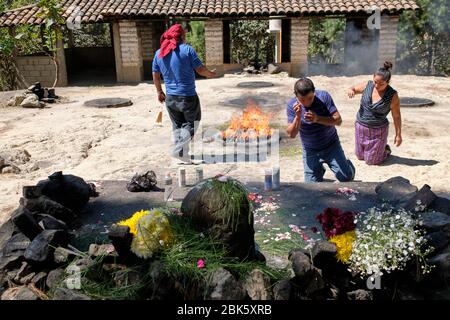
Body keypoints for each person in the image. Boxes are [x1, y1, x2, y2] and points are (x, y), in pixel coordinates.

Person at [152, 24, 216, 164]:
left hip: (170, 98)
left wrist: (159, 92)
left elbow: (155, 75)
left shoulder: (159, 53)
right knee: (192, 124)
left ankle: (182, 155)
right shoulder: (187, 50)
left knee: (178, 126)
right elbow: (200, 70)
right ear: (181, 36)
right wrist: (211, 74)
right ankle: (178, 150)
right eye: (185, 35)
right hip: (187, 97)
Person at [287, 78, 355, 183]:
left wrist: (317, 118)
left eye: (310, 98)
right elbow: (291, 134)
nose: (306, 103)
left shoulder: (324, 97)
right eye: (302, 99)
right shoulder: (292, 105)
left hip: (331, 145)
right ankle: (319, 169)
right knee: (311, 185)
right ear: (296, 95)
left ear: (314, 92)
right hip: (310, 150)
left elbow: (338, 121)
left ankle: (348, 166)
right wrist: (298, 116)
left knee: (346, 177)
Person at [347, 61, 402, 165]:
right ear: (373, 77)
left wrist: (398, 134)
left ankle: (385, 150)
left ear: (388, 82)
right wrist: (351, 90)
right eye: (375, 82)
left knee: (372, 161)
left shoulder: (392, 95)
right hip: (361, 128)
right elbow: (353, 88)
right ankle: (378, 149)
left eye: (381, 84)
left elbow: (396, 116)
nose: (377, 85)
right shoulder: (367, 85)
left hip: (378, 131)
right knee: (360, 157)